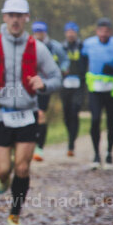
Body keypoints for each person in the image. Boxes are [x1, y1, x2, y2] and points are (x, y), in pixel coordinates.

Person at [0, 0, 61, 225]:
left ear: (26, 18)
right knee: (1, 170)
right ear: (4, 17)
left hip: (27, 114)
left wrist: (43, 84)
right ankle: (2, 178)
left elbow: (56, 78)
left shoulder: (38, 48)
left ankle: (14, 217)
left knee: (22, 167)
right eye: (11, 15)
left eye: (20, 15)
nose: (15, 20)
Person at [81, 18, 113, 169]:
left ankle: (109, 153)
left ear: (111, 31)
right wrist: (84, 74)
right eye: (101, 31)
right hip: (95, 89)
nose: (103, 34)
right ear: (96, 31)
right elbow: (82, 59)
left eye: (106, 31)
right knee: (95, 120)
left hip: (112, 90)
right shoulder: (89, 44)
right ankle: (96, 154)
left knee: (111, 122)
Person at [30, 21, 69, 161]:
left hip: (44, 86)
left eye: (41, 32)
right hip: (28, 85)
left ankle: (39, 147)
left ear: (45, 32)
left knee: (40, 114)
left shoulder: (54, 46)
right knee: (30, 116)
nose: (39, 35)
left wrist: (61, 70)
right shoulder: (28, 45)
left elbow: (65, 60)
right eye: (36, 32)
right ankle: (29, 143)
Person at [60, 21, 86, 157]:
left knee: (75, 111)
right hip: (64, 85)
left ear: (76, 33)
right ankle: (71, 136)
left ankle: (71, 143)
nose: (70, 34)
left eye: (73, 31)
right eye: (68, 31)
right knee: (66, 114)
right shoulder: (61, 47)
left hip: (79, 85)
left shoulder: (83, 47)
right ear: (65, 33)